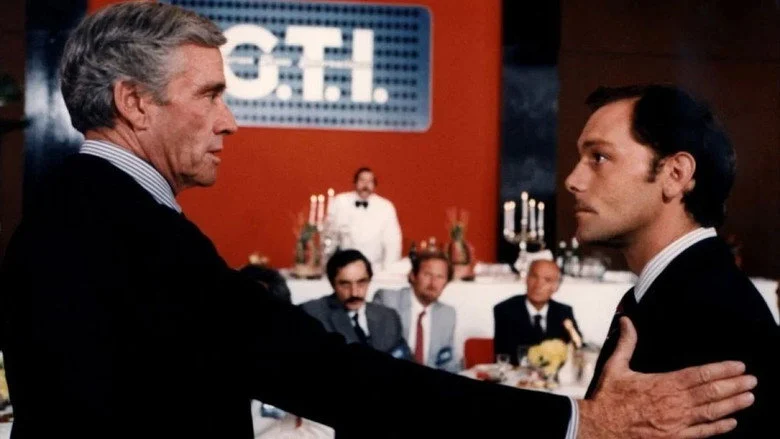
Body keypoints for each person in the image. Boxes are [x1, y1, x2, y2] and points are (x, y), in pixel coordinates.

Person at [0, 3, 759, 439]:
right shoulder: (130, 230)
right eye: (209, 95)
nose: (230, 120)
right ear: (135, 102)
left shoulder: (76, 210)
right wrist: (577, 423)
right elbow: (331, 375)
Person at [565, 84, 779, 436]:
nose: (573, 180)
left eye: (599, 157)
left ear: (675, 174)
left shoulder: (708, 312)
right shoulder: (686, 289)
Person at [300, 250, 410, 359]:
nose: (354, 293)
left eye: (361, 282)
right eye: (345, 284)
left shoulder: (388, 317)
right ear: (332, 283)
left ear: (370, 280)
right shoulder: (313, 314)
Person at [373, 252, 459, 372]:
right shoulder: (387, 301)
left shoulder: (447, 314)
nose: (433, 282)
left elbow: (449, 363)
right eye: (427, 274)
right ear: (413, 275)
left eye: (440, 277)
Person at [494, 259, 581, 365]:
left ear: (556, 287)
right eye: (534, 276)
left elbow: (578, 346)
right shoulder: (505, 310)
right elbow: (504, 356)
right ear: (526, 279)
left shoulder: (564, 312)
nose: (538, 285)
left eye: (547, 280)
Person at [325, 167, 402, 271]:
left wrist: (388, 270)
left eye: (370, 181)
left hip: (375, 268)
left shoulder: (386, 207)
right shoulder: (340, 202)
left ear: (374, 185)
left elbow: (392, 242)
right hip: (345, 267)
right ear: (355, 182)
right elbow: (330, 235)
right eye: (362, 180)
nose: (366, 185)